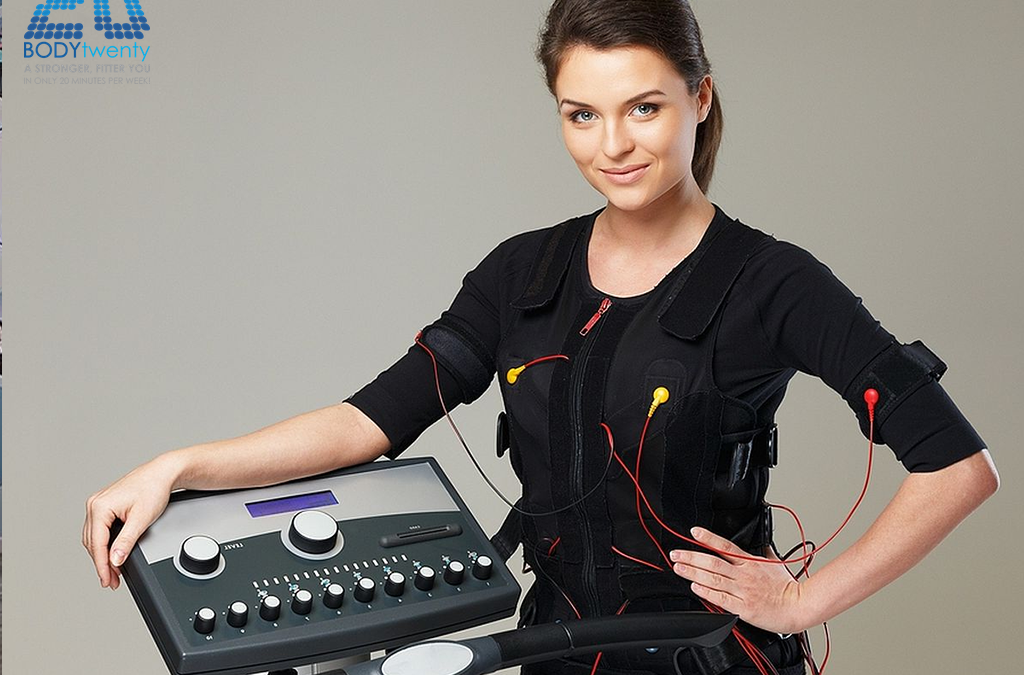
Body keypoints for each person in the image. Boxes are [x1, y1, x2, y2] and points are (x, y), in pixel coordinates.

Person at [83, 1, 998, 674]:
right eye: (581, 113)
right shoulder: (524, 272)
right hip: (555, 655)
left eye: (644, 107)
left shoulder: (773, 281)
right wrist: (179, 464)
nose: (614, 145)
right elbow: (369, 420)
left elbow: (960, 466)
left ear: (701, 99)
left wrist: (804, 598)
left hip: (713, 660)